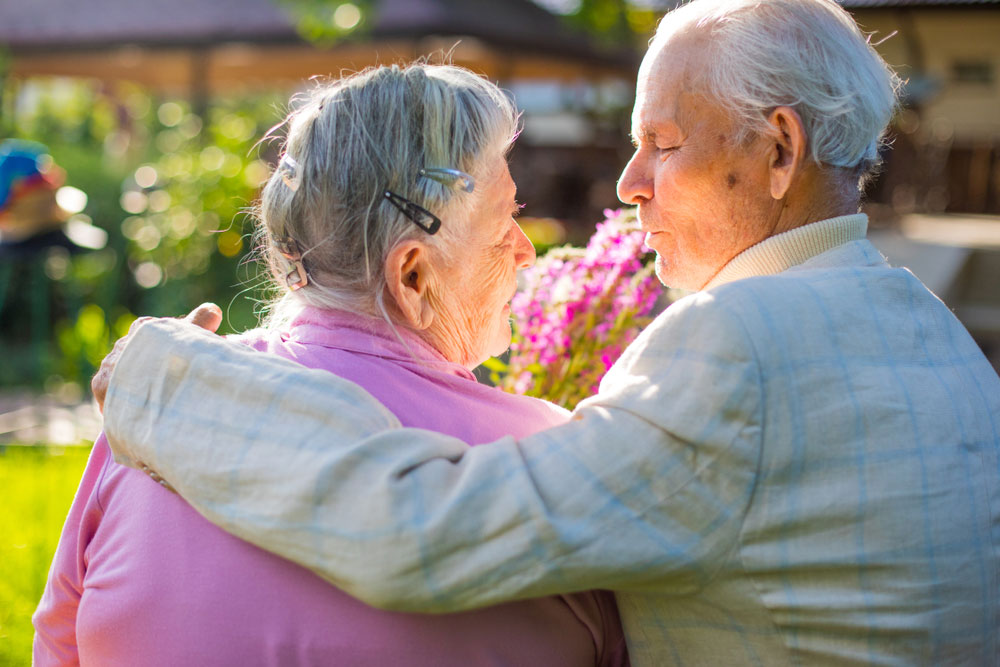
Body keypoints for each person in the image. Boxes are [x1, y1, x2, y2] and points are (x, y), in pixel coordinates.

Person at [95, 0, 1000, 664]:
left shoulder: (738, 346)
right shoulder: (935, 333)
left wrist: (165, 382)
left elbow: (423, 535)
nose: (629, 183)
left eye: (664, 141)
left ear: (779, 150)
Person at [33, 63, 627, 666]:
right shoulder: (537, 460)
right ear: (413, 275)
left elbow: (58, 640)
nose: (527, 252)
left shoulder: (157, 403)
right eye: (505, 225)